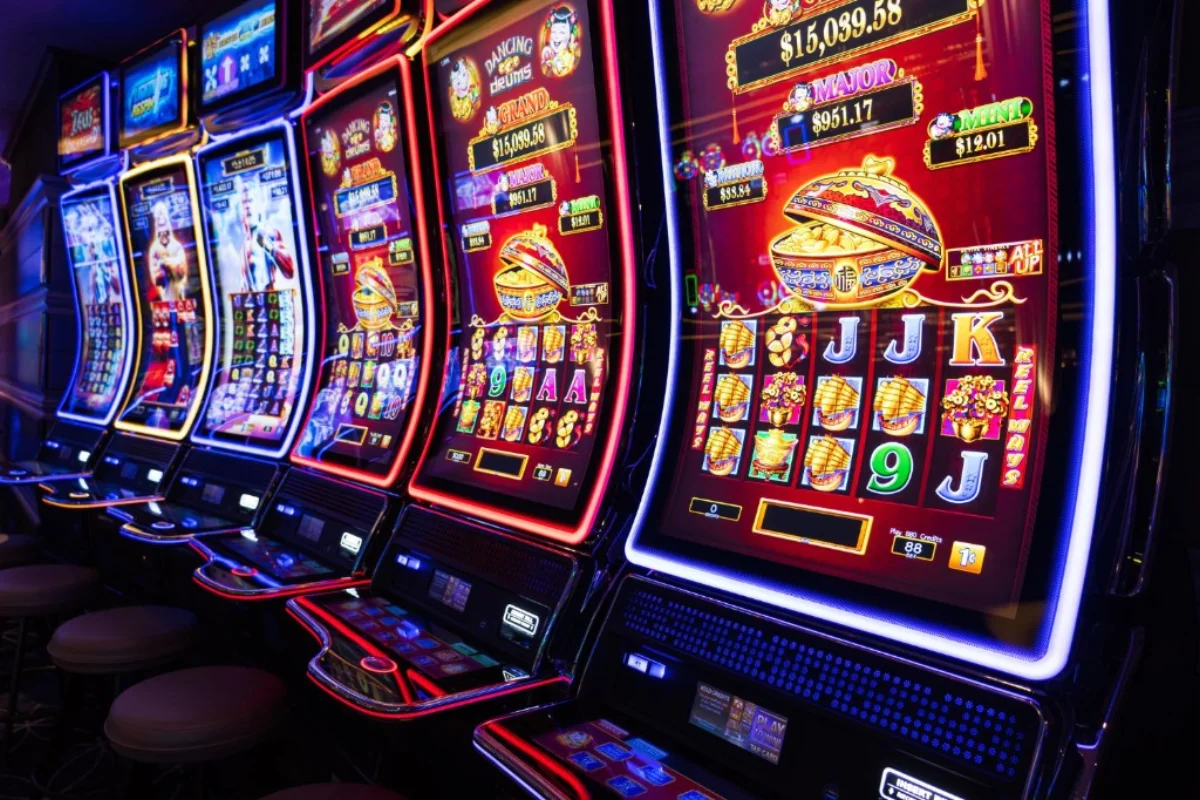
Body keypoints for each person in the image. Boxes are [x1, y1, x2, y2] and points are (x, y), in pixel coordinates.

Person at [239, 182, 295, 293]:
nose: (247, 206)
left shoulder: (269, 233)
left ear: (258, 206)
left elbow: (289, 271)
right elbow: (245, 284)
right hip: (254, 306)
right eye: (244, 202)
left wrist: (269, 246)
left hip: (271, 302)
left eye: (250, 201)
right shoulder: (244, 246)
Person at [147, 201, 189, 302]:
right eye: (158, 222)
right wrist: (170, 264)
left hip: (180, 297)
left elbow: (181, 272)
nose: (162, 228)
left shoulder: (177, 245)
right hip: (165, 299)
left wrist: (165, 262)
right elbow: (157, 279)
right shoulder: (154, 249)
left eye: (164, 222)